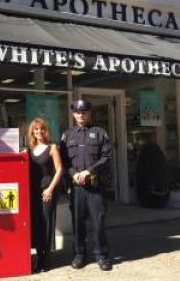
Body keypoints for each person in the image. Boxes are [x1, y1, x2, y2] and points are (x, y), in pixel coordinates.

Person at [60, 100, 113, 271]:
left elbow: (107, 158)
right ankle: (79, 254)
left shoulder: (99, 133)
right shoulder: (67, 135)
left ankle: (101, 255)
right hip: (76, 187)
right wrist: (73, 173)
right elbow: (63, 161)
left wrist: (88, 172)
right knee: (78, 221)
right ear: (73, 114)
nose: (81, 115)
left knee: (98, 221)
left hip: (96, 186)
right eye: (77, 112)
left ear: (90, 113)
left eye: (84, 112)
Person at [27, 118, 63, 273]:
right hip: (32, 193)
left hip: (46, 192)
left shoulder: (52, 147)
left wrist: (50, 189)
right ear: (32, 132)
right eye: (36, 129)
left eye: (41, 129)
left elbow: (60, 169)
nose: (39, 132)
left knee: (47, 224)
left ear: (45, 131)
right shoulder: (29, 149)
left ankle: (46, 258)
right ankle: (39, 255)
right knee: (36, 224)